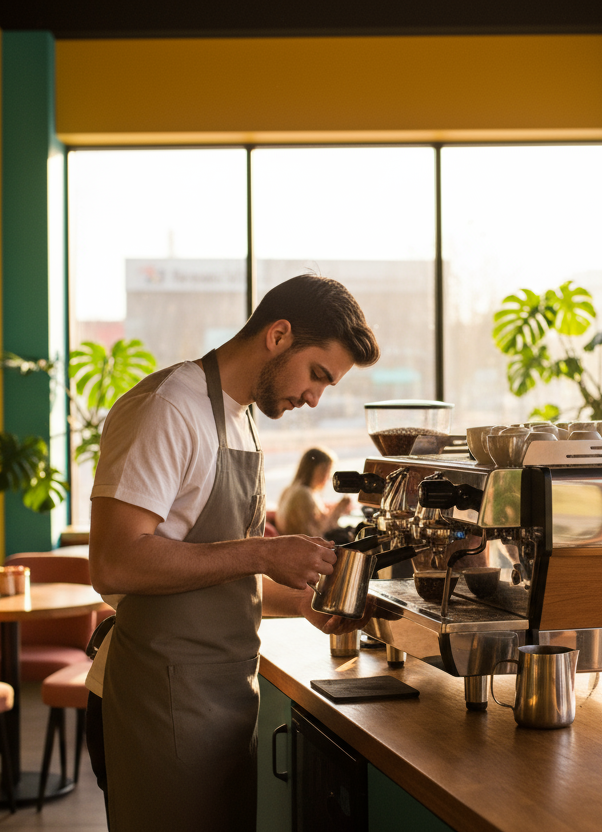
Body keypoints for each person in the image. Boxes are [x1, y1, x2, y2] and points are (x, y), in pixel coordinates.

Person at [83, 274, 380, 831]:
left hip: (224, 702)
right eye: (318, 374)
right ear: (279, 335)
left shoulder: (241, 418)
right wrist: (264, 555)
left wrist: (301, 605)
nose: (315, 397)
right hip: (158, 698)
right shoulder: (167, 408)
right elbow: (115, 562)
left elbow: (208, 575)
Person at [277, 447, 353, 542]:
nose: (329, 476)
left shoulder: (289, 490)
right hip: (303, 547)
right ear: (315, 469)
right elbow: (315, 535)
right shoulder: (303, 495)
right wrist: (338, 510)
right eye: (327, 470)